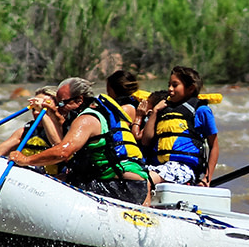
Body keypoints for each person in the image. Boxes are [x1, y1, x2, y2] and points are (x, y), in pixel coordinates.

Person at [9, 77, 150, 205]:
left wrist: (26, 160)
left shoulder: (87, 119)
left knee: (57, 184)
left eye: (63, 103)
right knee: (63, 176)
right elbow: (61, 144)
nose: (60, 107)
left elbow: (63, 152)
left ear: (79, 100)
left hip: (121, 186)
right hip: (132, 184)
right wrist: (50, 112)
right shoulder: (98, 112)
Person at [136, 66, 220, 186]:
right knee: (132, 176)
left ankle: (144, 204)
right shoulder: (163, 109)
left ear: (190, 89)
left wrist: (207, 178)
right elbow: (145, 140)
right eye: (169, 85)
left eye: (175, 85)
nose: (170, 89)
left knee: (146, 181)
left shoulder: (201, 111)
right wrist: (154, 112)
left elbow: (214, 146)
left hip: (183, 169)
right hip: (158, 166)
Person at [0, 86, 65, 175]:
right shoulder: (24, 132)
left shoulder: (66, 129)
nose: (36, 112)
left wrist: (45, 114)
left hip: (54, 181)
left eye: (41, 108)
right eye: (34, 108)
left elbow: (58, 148)